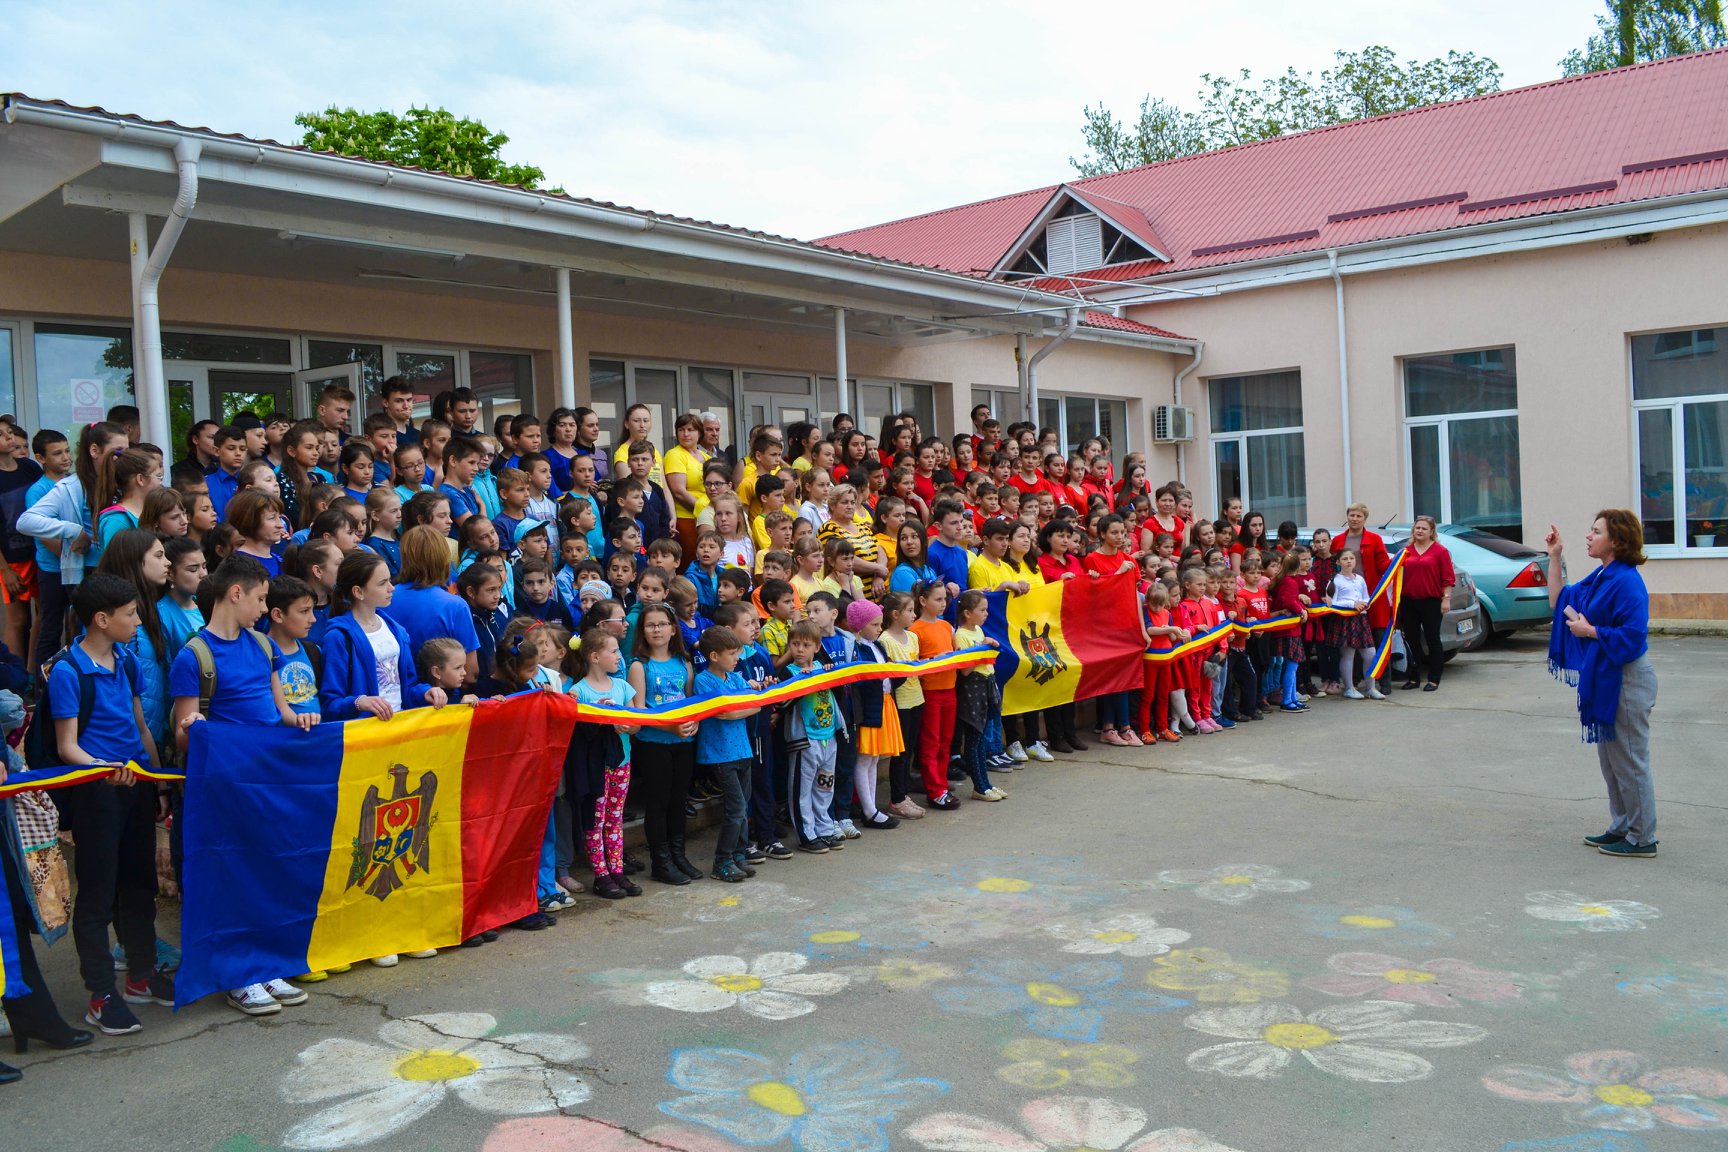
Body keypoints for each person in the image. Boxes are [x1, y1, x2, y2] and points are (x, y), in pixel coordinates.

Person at [46, 572, 170, 1036]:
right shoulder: (67, 671)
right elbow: (67, 747)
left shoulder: (127, 660)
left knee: (139, 884)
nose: (137, 622)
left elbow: (140, 726)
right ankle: (100, 994)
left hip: (136, 784)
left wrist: (157, 784)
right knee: (98, 894)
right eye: (130, 614)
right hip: (97, 792)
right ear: (101, 619)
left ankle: (141, 975)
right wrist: (103, 767)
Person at [1546, 510, 1658, 858]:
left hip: (1626, 678)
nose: (1589, 536)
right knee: (1612, 762)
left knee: (1630, 761)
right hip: (1608, 677)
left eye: (1596, 531)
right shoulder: (1603, 575)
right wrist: (1555, 556)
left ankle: (1643, 838)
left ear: (1617, 540)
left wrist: (1591, 631)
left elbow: (1634, 637)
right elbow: (1559, 602)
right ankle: (1622, 826)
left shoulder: (1626, 581)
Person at [627, 603, 701, 885]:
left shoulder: (684, 662)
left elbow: (691, 700)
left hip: (683, 740)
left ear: (673, 629)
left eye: (662, 624)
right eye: (650, 625)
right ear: (643, 631)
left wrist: (694, 722)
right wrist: (670, 726)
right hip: (654, 743)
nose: (656, 629)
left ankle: (678, 855)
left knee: (678, 800)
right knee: (658, 802)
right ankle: (661, 862)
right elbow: (640, 710)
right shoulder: (639, 666)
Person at [567, 627, 642, 899]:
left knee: (615, 818)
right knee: (596, 820)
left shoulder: (622, 687)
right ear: (595, 657)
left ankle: (617, 870)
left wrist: (627, 726)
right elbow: (576, 731)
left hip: (622, 762)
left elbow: (636, 723)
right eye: (614, 651)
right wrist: (600, 718)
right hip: (595, 767)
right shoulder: (578, 691)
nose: (619, 656)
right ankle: (601, 875)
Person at [694, 625, 761, 882]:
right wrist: (740, 708)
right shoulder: (703, 680)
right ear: (714, 656)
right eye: (732, 654)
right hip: (720, 754)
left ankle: (738, 854)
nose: (737, 659)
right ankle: (722, 861)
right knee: (736, 807)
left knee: (743, 805)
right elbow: (721, 712)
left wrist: (738, 710)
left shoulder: (735, 679)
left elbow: (755, 703)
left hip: (742, 750)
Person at [382, 526, 480, 686]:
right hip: (443, 697)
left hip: (395, 693)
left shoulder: (384, 598)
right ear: (444, 557)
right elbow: (470, 673)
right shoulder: (455, 606)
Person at [909, 580, 960, 810]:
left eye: (945, 599)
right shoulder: (915, 630)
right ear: (922, 601)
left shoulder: (947, 626)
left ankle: (942, 784)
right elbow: (913, 663)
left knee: (945, 742)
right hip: (929, 692)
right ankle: (934, 790)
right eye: (938, 599)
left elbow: (955, 653)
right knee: (931, 742)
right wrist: (931, 661)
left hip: (950, 689)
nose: (943, 604)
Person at [1397, 516, 1454, 692]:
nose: (1420, 531)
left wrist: (1446, 599)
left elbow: (1448, 578)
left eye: (1424, 528)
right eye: (1417, 528)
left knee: (1432, 639)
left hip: (1431, 602)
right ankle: (1414, 677)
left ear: (1431, 532)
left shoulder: (1440, 551)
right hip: (1408, 602)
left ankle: (1434, 679)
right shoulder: (1405, 551)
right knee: (1411, 640)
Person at [1328, 549, 1380, 700]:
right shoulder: (1335, 581)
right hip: (1345, 620)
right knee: (1348, 654)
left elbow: (1366, 596)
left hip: (1361, 619)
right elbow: (1332, 603)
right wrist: (1352, 604)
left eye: (1351, 558)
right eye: (1345, 559)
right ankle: (1349, 688)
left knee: (1370, 654)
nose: (1349, 561)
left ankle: (1371, 688)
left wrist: (1365, 604)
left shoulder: (1360, 579)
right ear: (1338, 562)